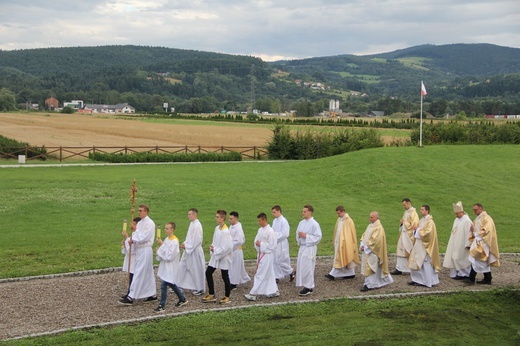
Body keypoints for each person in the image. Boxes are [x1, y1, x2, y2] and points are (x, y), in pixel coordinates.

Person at [119, 204, 158, 305]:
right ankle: (151, 294)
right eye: (138, 211)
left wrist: (135, 231)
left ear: (146, 212)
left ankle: (131, 296)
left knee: (139, 272)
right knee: (147, 272)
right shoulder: (140, 223)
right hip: (139, 249)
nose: (139, 212)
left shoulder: (150, 223)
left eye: (141, 211)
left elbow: (144, 237)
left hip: (145, 249)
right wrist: (132, 240)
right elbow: (136, 236)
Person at [153, 222, 188, 312]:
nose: (165, 230)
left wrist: (162, 245)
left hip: (171, 266)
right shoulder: (167, 239)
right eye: (165, 228)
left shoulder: (174, 241)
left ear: (172, 230)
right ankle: (182, 298)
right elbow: (164, 251)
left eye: (167, 228)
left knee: (164, 285)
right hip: (166, 266)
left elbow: (170, 255)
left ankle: (162, 305)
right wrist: (159, 250)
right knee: (171, 284)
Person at [245, 213, 279, 301]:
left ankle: (253, 293)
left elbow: (273, 245)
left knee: (260, 273)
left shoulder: (270, 231)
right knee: (270, 272)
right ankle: (273, 290)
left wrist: (261, 245)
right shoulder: (260, 230)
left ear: (264, 220)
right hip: (261, 253)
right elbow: (256, 240)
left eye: (260, 220)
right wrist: (257, 244)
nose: (259, 222)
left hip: (267, 255)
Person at [202, 210, 233, 304]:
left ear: (223, 218)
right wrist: (213, 247)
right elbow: (214, 241)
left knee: (224, 275)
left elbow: (227, 247)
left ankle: (227, 296)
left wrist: (216, 250)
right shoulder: (217, 228)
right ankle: (211, 294)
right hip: (216, 254)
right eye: (216, 217)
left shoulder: (225, 231)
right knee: (208, 273)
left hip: (223, 256)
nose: (216, 218)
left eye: (217, 217)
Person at [407, 205, 441, 288]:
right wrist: (415, 230)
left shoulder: (430, 222)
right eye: (420, 209)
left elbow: (428, 234)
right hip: (418, 244)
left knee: (425, 263)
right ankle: (417, 279)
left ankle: (427, 281)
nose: (420, 211)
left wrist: (417, 230)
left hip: (426, 246)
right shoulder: (421, 220)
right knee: (416, 261)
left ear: (427, 211)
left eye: (422, 210)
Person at [359, 211, 393, 291]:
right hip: (367, 250)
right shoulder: (370, 225)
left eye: (371, 217)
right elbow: (364, 235)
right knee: (372, 268)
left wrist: (366, 247)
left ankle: (369, 285)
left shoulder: (378, 227)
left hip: (373, 251)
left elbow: (376, 241)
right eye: (370, 217)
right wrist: (362, 244)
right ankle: (376, 282)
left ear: (377, 218)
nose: (370, 218)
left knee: (371, 267)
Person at [467, 203, 500, 285]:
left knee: (478, 259)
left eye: (476, 209)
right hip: (478, 241)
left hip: (484, 242)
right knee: (477, 260)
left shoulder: (487, 218)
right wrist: (472, 230)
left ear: (481, 209)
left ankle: (473, 278)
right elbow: (474, 228)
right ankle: (486, 278)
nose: (474, 211)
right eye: (473, 210)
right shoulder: (478, 218)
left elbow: (487, 230)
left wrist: (476, 234)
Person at [176, 208, 206, 296]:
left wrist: (187, 246)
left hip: (194, 251)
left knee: (196, 269)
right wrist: (185, 243)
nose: (188, 216)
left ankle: (199, 288)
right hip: (188, 250)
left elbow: (197, 240)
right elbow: (189, 237)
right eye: (188, 214)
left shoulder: (197, 225)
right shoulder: (192, 224)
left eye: (190, 214)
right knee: (182, 266)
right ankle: (178, 284)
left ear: (194, 215)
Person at [325, 205, 359, 280]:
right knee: (342, 258)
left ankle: (332, 274)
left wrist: (346, 242)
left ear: (343, 212)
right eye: (337, 213)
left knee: (340, 258)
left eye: (339, 213)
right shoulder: (339, 219)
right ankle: (350, 273)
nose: (338, 215)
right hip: (338, 242)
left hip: (345, 243)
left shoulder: (349, 220)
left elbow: (350, 233)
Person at [295, 204, 322, 296]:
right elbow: (297, 232)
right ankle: (304, 284)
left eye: (305, 211)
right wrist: (299, 236)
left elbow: (318, 237)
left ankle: (309, 286)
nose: (303, 213)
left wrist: (306, 236)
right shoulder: (301, 223)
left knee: (308, 267)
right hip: (302, 247)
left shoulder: (314, 224)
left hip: (309, 248)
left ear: (310, 212)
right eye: (302, 211)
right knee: (302, 266)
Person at [443, 201, 472, 279]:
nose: (456, 215)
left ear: (462, 212)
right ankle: (457, 272)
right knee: (454, 257)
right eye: (455, 213)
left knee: (462, 257)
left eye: (457, 213)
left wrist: (468, 244)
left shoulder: (467, 221)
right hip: (455, 241)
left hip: (462, 242)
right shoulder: (456, 220)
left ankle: (465, 273)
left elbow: (469, 233)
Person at [391, 198, 419, 275]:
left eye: (404, 205)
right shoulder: (406, 212)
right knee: (400, 250)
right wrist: (401, 223)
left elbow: (414, 225)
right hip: (403, 234)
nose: (404, 207)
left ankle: (409, 268)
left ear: (409, 203)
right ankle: (399, 268)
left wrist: (404, 222)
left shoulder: (414, 213)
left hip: (408, 235)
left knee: (407, 251)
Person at [271, 205, 295, 282]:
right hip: (275, 243)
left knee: (280, 260)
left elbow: (285, 234)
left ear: (279, 211)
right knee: (274, 259)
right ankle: (276, 276)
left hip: (281, 243)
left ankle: (290, 271)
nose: (273, 214)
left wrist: (275, 237)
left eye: (274, 212)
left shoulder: (283, 221)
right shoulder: (275, 221)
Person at [228, 211, 251, 290]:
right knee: (231, 266)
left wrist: (231, 246)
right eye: (229, 218)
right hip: (231, 249)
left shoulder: (238, 228)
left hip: (236, 249)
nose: (229, 220)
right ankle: (232, 279)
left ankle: (234, 283)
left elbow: (239, 240)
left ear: (236, 218)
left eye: (231, 219)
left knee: (235, 266)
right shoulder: (231, 227)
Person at [120, 217, 140, 301]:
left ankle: (131, 294)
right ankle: (129, 292)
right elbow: (127, 250)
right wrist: (124, 243)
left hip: (135, 258)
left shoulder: (138, 234)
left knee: (132, 277)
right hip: (131, 258)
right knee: (130, 276)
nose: (132, 225)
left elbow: (132, 249)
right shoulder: (134, 233)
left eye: (134, 224)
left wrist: (127, 237)